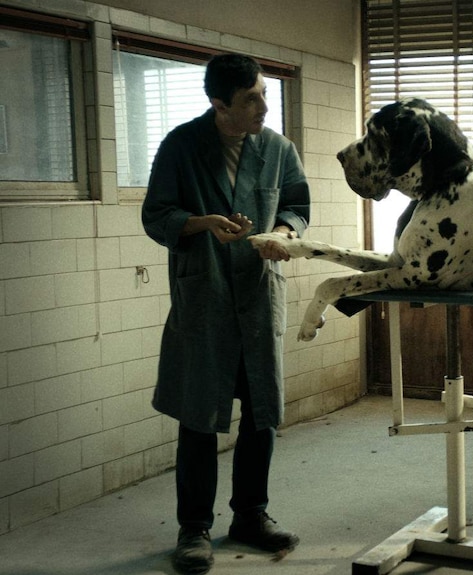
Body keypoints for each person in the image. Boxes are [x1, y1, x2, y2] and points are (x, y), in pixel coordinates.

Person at [141, 53, 310, 575]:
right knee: (199, 417)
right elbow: (156, 214)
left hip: (259, 295)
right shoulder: (181, 145)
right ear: (220, 103)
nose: (264, 105)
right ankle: (193, 529)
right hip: (205, 297)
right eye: (251, 99)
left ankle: (249, 517)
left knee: (261, 414)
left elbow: (298, 204)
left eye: (263, 92)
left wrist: (283, 233)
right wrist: (201, 222)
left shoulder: (279, 149)